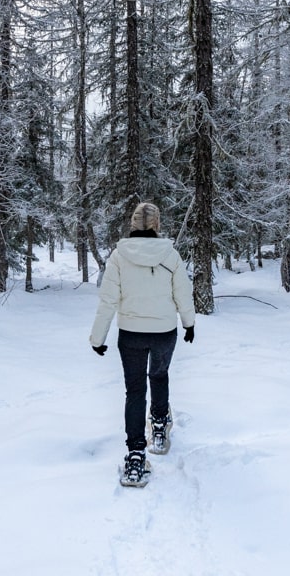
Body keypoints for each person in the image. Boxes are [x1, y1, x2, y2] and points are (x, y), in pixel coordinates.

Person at [89, 201, 195, 486]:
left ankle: (136, 454)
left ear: (133, 224)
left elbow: (108, 300)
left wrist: (97, 337)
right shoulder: (170, 255)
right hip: (163, 332)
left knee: (135, 391)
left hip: (131, 334)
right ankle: (159, 425)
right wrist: (189, 322)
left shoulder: (119, 257)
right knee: (159, 375)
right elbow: (183, 291)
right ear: (157, 224)